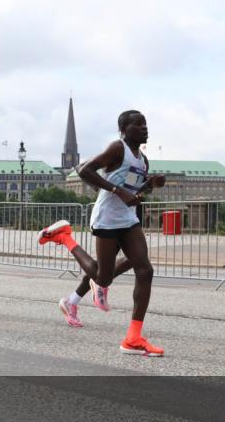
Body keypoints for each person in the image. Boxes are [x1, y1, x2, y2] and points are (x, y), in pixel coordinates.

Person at [38, 110, 166, 356]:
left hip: (127, 219)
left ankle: (133, 338)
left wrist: (150, 186)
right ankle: (65, 237)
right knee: (102, 277)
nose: (145, 128)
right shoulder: (117, 149)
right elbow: (86, 170)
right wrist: (118, 191)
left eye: (146, 124)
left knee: (145, 269)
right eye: (138, 125)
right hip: (107, 218)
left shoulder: (143, 160)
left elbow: (135, 192)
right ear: (124, 129)